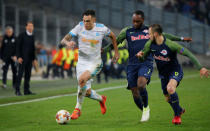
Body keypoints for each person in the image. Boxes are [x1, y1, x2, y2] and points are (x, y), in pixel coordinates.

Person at [116, 10, 192, 122]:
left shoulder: (150, 30)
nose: (135, 23)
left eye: (137, 21)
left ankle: (147, 108)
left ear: (142, 20)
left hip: (146, 63)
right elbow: (116, 42)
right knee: (136, 92)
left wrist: (181, 39)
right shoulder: (128, 31)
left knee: (141, 85)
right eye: (133, 21)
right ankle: (171, 110)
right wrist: (105, 49)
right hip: (132, 65)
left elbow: (166, 36)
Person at [136, 24, 209, 125]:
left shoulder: (171, 45)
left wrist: (200, 68)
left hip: (175, 71)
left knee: (170, 88)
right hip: (163, 75)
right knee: (167, 98)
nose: (148, 36)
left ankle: (177, 116)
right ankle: (179, 109)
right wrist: (140, 56)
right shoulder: (149, 44)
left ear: (156, 34)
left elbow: (188, 53)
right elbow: (143, 58)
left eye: (149, 34)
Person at [61, 10, 119, 120]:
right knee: (86, 92)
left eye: (87, 21)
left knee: (81, 80)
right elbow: (63, 39)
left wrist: (116, 52)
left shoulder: (101, 28)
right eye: (84, 20)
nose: (85, 23)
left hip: (95, 63)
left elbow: (113, 36)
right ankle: (101, 99)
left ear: (94, 20)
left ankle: (77, 109)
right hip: (81, 63)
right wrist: (68, 43)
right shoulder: (79, 27)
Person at [15, 21, 38, 96]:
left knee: (28, 75)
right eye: (29, 26)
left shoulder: (33, 36)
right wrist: (18, 57)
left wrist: (34, 59)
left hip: (30, 59)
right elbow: (17, 47)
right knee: (20, 74)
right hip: (22, 58)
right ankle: (17, 90)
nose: (31, 27)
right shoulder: (21, 35)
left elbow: (33, 49)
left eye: (32, 26)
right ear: (26, 27)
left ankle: (26, 90)